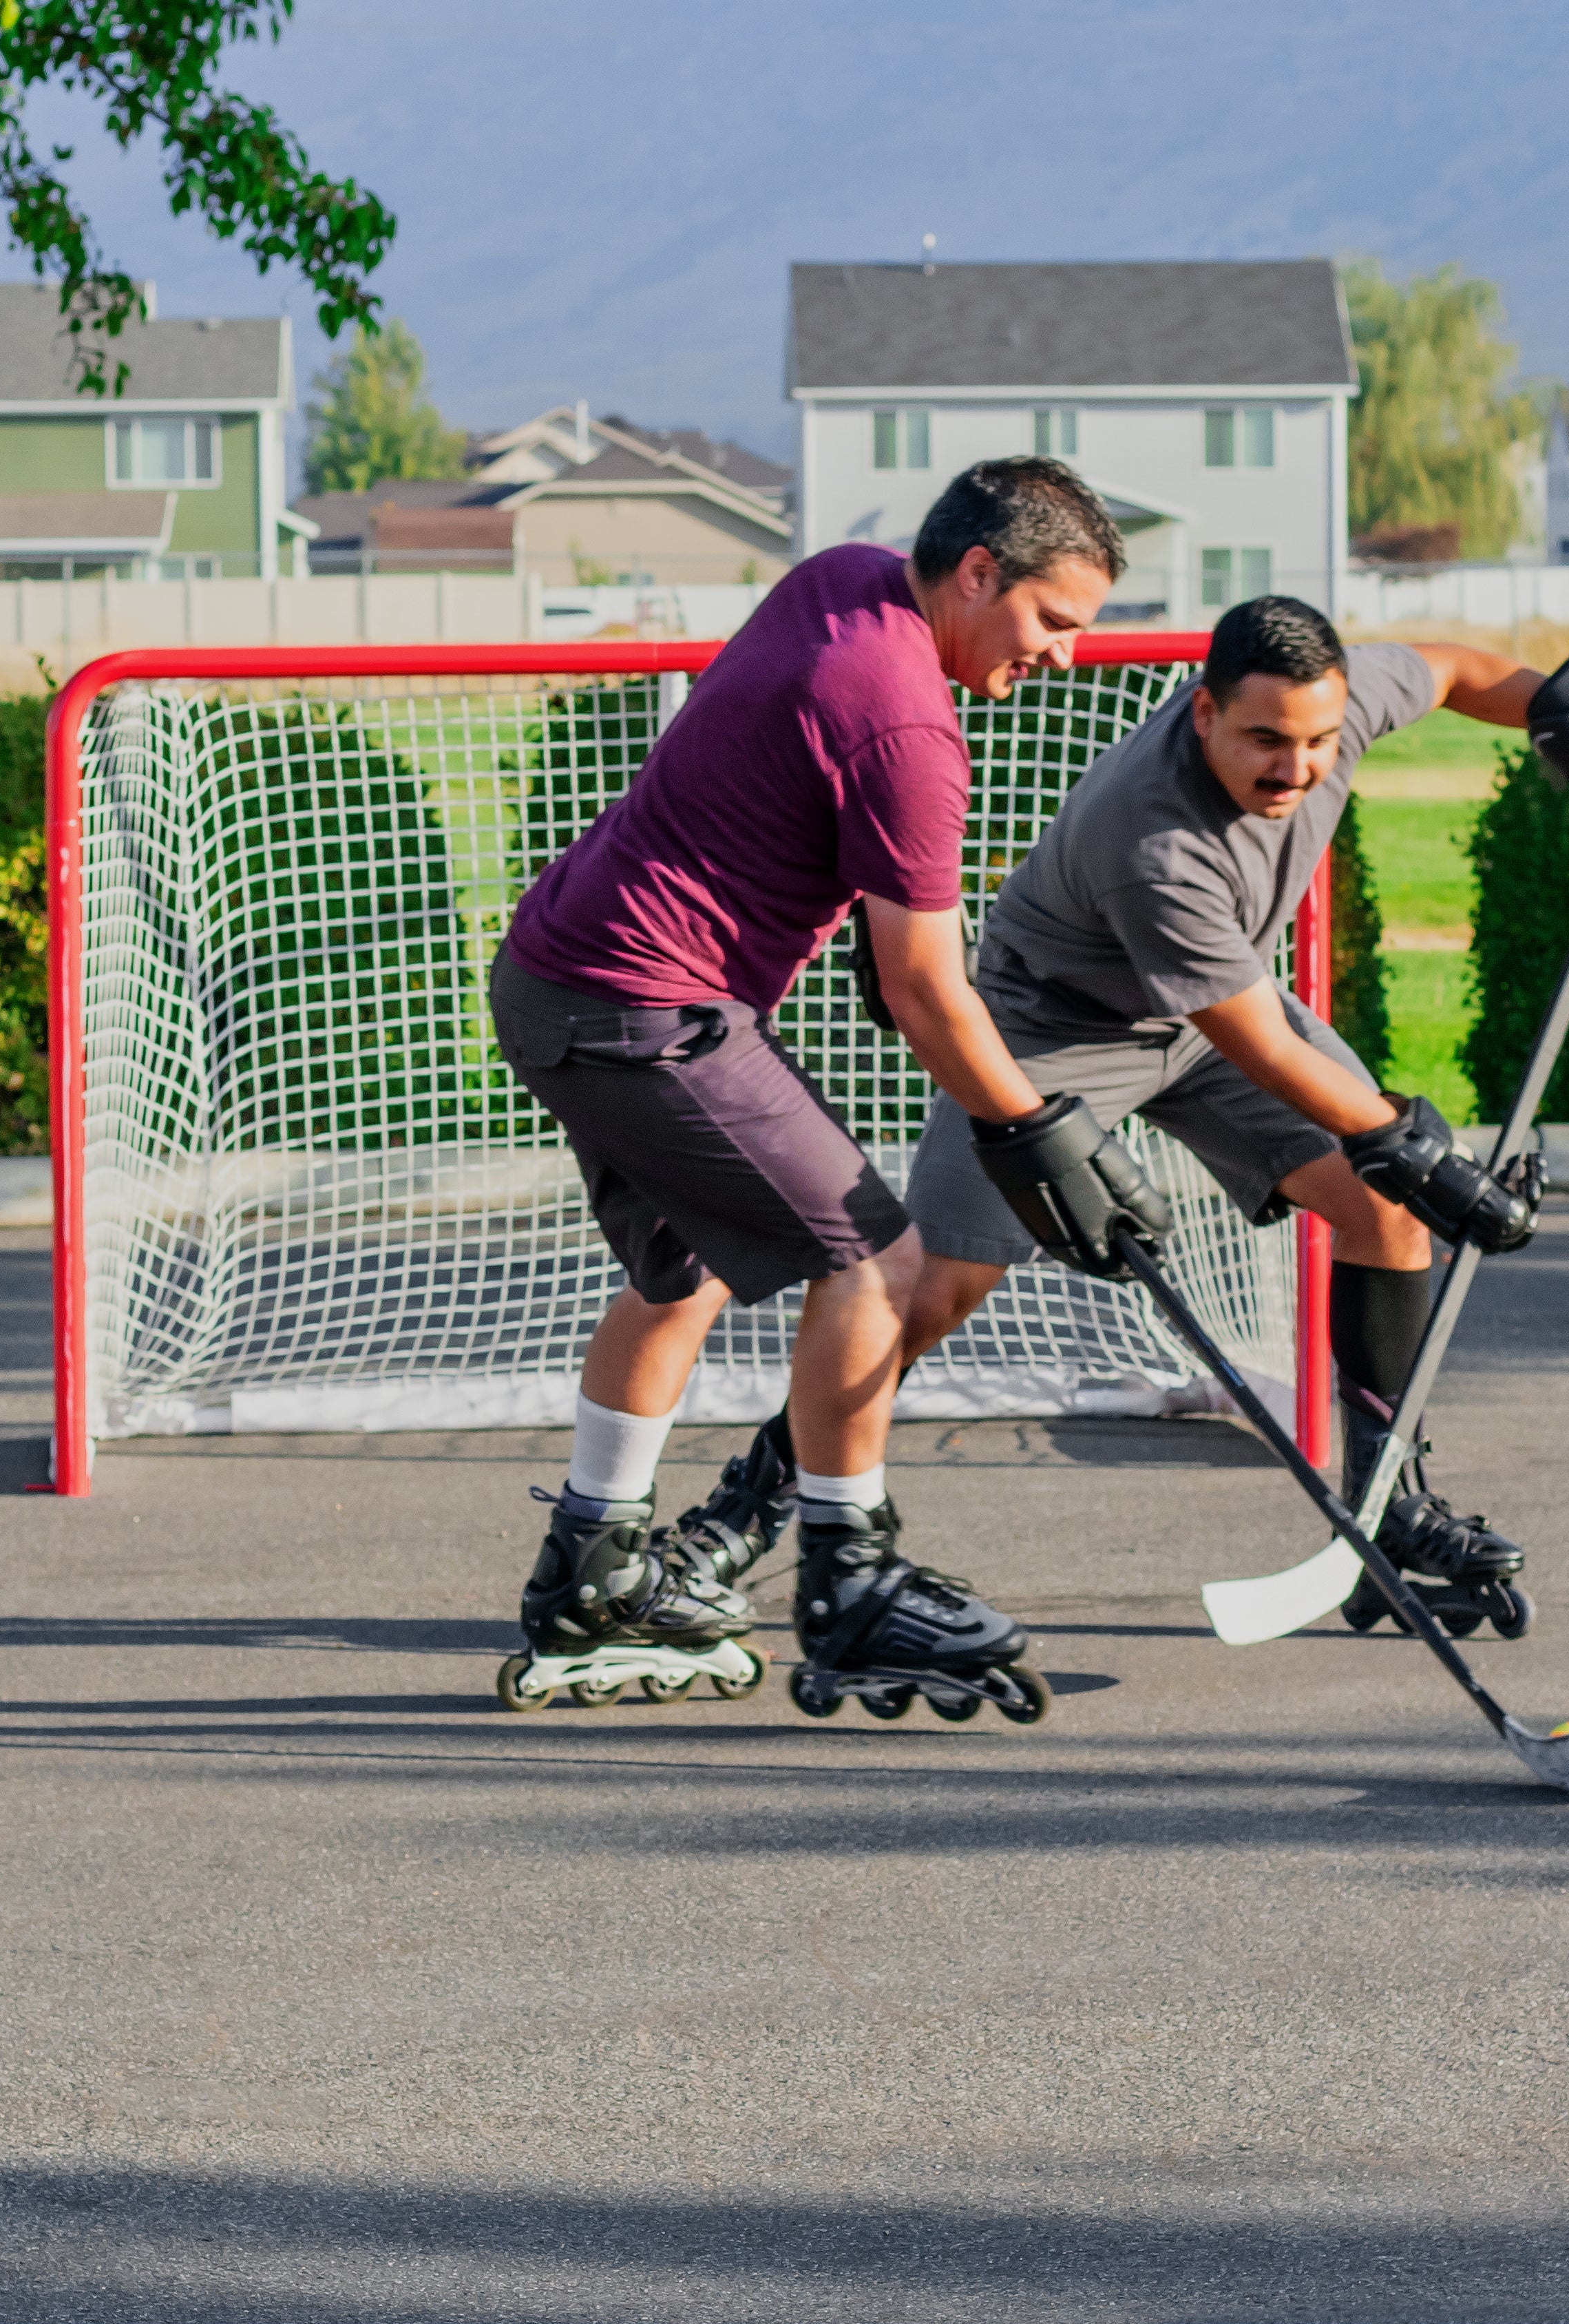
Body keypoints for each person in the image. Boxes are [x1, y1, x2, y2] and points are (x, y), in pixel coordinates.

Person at [703, 595, 1569, 1635]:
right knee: (932, 1292)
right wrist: (1419, 1152)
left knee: (1384, 1212)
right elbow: (1256, 1043)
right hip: (1052, 1030)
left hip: (1216, 1007)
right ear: (1202, 715)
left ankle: (1389, 1510)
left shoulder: (1334, 703)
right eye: (1265, 741)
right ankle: (753, 1502)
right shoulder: (1154, 836)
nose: (1298, 769)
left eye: (1318, 741)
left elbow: (1450, 668)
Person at [487, 457, 1157, 1719]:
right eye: (1053, 620)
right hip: (642, 1004)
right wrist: (1042, 1135)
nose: (1064, 655)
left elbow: (782, 776)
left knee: (678, 1272)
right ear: (976, 574)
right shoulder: (912, 725)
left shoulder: (843, 582)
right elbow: (925, 987)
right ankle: (852, 1584)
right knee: (880, 1262)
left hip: (557, 972)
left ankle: (592, 1572)